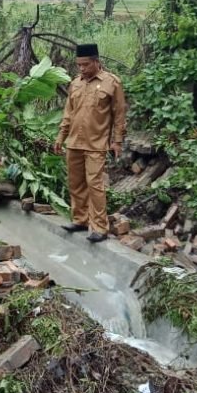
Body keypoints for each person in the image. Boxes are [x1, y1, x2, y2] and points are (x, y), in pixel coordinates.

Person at [54, 43, 127, 243]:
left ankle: (100, 228)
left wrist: (117, 141)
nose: (82, 68)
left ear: (96, 61)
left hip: (96, 144)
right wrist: (61, 136)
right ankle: (80, 220)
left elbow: (119, 115)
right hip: (74, 143)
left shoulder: (112, 83)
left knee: (95, 185)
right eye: (79, 65)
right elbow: (68, 114)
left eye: (85, 64)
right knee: (75, 183)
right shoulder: (75, 84)